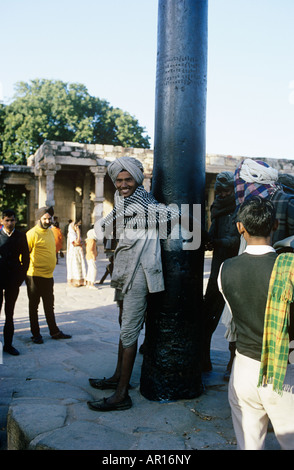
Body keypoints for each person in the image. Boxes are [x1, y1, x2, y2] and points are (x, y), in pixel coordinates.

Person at [87, 156, 180, 412]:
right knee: (123, 323)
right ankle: (118, 377)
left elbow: (175, 213)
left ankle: (121, 395)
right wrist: (113, 258)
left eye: (128, 179)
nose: (123, 184)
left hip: (139, 272)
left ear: (137, 180)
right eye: (119, 180)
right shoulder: (123, 199)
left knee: (129, 329)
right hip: (123, 267)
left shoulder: (144, 202)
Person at [218, 197, 294, 450]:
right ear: (275, 226)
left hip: (244, 369)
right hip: (284, 370)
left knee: (249, 445)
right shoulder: (289, 270)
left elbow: (236, 313)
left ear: (240, 227)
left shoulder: (225, 269)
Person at [202, 171, 240, 372]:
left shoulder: (239, 208)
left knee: (234, 318)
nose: (223, 195)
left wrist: (216, 242)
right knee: (208, 313)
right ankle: (203, 358)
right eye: (220, 191)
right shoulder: (217, 206)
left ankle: (233, 362)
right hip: (218, 266)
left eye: (227, 191)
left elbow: (237, 240)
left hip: (234, 266)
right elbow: (214, 230)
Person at [26, 206, 72, 344]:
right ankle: (36, 334)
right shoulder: (31, 234)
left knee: (49, 305)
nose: (47, 221)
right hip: (34, 276)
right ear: (39, 218)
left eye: (49, 218)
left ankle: (54, 331)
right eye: (44, 218)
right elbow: (24, 254)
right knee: (34, 306)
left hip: (48, 276)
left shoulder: (51, 232)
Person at [0, 209, 30, 355]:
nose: (10, 223)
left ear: (15, 221)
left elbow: (26, 258)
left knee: (10, 313)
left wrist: (21, 276)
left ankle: (8, 344)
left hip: (13, 280)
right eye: (7, 220)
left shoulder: (20, 236)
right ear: (2, 221)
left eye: (12, 220)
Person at [66, 220, 86, 287]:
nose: (77, 227)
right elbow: (76, 243)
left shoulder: (75, 234)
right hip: (74, 253)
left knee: (80, 266)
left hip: (78, 252)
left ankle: (80, 281)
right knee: (75, 266)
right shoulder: (71, 233)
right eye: (76, 225)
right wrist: (78, 232)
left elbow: (80, 242)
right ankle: (75, 281)